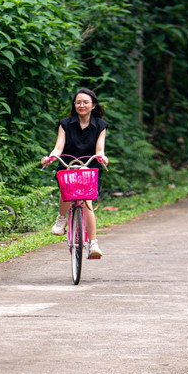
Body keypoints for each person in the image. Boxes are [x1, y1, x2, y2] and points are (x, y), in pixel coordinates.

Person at [41, 87, 108, 259]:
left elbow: (99, 149)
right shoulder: (65, 124)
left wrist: (102, 157)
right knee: (67, 187)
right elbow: (58, 147)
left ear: (93, 105)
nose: (81, 105)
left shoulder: (100, 125)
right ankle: (61, 218)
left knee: (87, 202)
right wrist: (50, 158)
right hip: (68, 165)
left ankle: (93, 243)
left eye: (86, 102)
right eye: (78, 102)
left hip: (90, 167)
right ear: (74, 105)